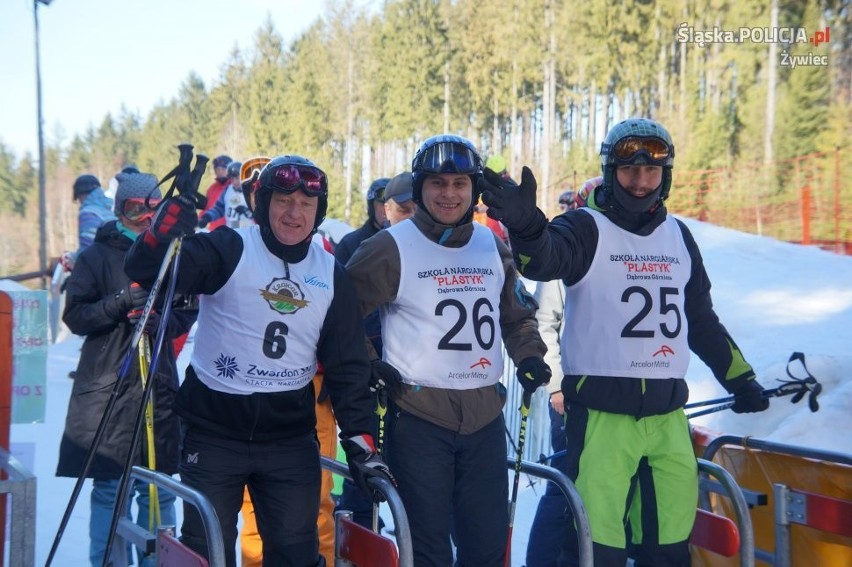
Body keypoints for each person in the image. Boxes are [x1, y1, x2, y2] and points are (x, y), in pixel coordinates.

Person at [480, 117, 770, 566]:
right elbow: (544, 260)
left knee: (670, 546)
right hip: (602, 419)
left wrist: (741, 379)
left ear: (665, 175)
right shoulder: (585, 226)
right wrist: (527, 226)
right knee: (601, 549)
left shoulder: (679, 236)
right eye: (628, 170)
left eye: (651, 171)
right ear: (610, 171)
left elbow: (701, 319)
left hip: (668, 418)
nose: (640, 181)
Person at [125, 154, 395, 567]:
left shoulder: (330, 273)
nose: (294, 213)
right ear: (263, 203)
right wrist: (159, 238)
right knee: (205, 551)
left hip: (288, 439)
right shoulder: (229, 246)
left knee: (295, 554)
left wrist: (359, 441)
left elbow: (347, 365)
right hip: (214, 433)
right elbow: (150, 272)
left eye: (306, 205)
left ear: (318, 212)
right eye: (284, 201)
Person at [345, 134, 550, 566]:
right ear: (420, 188)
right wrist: (368, 363)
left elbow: (515, 313)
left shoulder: (491, 245)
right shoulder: (390, 246)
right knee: (429, 549)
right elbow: (338, 317)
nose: (449, 193)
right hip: (420, 417)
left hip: (484, 418)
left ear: (473, 190)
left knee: (487, 547)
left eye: (459, 183)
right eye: (438, 183)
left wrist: (529, 354)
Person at [57, 171, 191, 567]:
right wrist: (120, 302)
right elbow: (75, 315)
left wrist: (161, 322)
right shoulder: (97, 256)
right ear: (120, 210)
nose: (145, 218)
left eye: (154, 209)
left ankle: (157, 561)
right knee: (111, 489)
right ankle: (109, 562)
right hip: (109, 388)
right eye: (136, 209)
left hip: (157, 385)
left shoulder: (172, 252)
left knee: (160, 489)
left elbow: (188, 309)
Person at [60, 174, 117, 272]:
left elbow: (88, 249)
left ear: (80, 195)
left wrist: (71, 258)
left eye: (78, 199)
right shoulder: (110, 209)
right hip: (115, 265)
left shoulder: (88, 213)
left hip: (100, 270)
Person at [334, 177, 390, 265]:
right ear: (371, 207)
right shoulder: (349, 244)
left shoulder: (407, 242)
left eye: (393, 206)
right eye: (383, 204)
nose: (387, 210)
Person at [198, 161, 254, 229]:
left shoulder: (252, 191)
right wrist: (206, 218)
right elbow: (219, 209)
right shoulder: (227, 190)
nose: (235, 182)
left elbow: (260, 214)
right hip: (232, 231)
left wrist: (247, 211)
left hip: (249, 231)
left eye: (237, 178)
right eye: (232, 179)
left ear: (244, 176)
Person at [199, 154, 232, 231]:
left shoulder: (234, 187)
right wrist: (200, 219)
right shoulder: (212, 188)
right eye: (217, 170)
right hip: (213, 230)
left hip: (230, 229)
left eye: (223, 169)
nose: (220, 172)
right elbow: (207, 208)